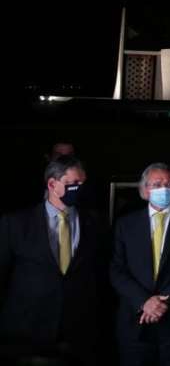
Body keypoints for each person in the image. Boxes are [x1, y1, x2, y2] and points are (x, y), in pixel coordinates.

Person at [0, 155, 105, 365]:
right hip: (28, 332)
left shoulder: (95, 222)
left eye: (82, 183)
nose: (79, 188)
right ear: (52, 184)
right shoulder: (15, 223)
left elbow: (100, 271)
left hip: (79, 332)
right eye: (73, 183)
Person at [110, 163, 170, 366]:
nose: (164, 188)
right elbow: (116, 269)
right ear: (145, 190)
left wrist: (163, 301)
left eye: (169, 183)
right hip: (135, 322)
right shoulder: (125, 224)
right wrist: (144, 301)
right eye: (157, 184)